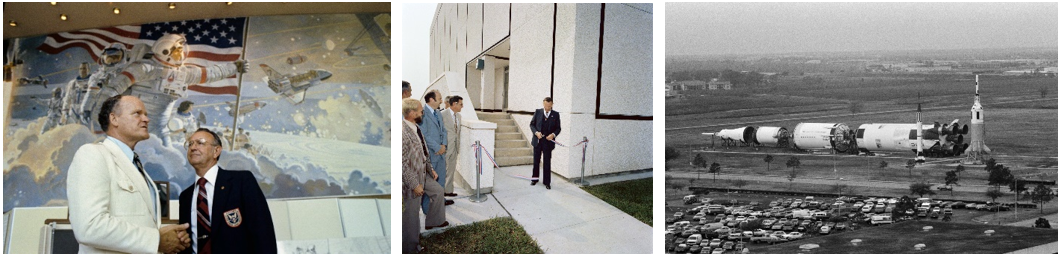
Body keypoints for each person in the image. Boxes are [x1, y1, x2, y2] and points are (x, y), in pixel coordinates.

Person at [67, 95, 191, 254]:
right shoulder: (92, 154)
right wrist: (157, 240)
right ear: (114, 119)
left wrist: (170, 237)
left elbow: (138, 222)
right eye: (137, 114)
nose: (146, 119)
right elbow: (89, 226)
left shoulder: (135, 165)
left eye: (146, 114)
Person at [177, 128, 277, 254]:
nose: (193, 147)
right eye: (190, 144)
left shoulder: (241, 182)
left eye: (200, 142)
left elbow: (263, 233)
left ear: (216, 151)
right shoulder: (185, 196)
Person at [402, 98, 448, 253]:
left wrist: (431, 169)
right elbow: (401, 164)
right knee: (411, 216)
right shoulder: (402, 132)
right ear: (411, 113)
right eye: (420, 110)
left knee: (438, 191)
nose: (422, 112)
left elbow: (423, 151)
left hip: (424, 174)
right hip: (412, 180)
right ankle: (410, 248)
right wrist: (414, 185)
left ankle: (434, 222)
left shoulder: (416, 128)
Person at [419, 90, 453, 210]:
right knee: (430, 184)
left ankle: (440, 202)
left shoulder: (438, 113)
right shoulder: (422, 113)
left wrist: (443, 145)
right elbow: (424, 135)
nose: (441, 100)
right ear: (432, 100)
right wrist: (438, 147)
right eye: (439, 98)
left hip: (441, 153)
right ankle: (428, 210)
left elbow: (443, 130)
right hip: (431, 154)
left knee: (441, 180)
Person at [530, 97, 561, 189]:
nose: (547, 108)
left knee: (547, 162)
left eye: (549, 106)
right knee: (536, 161)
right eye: (546, 106)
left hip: (548, 143)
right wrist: (536, 133)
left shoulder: (556, 114)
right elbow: (532, 124)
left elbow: (558, 128)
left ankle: (547, 182)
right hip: (537, 141)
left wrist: (553, 135)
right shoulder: (538, 112)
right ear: (543, 104)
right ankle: (534, 179)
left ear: (552, 104)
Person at [440, 96, 463, 196]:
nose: (462, 106)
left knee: (451, 169)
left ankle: (448, 191)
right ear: (454, 104)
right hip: (445, 147)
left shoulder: (459, 116)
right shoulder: (442, 114)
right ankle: (440, 192)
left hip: (454, 147)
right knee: (442, 170)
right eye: (461, 104)